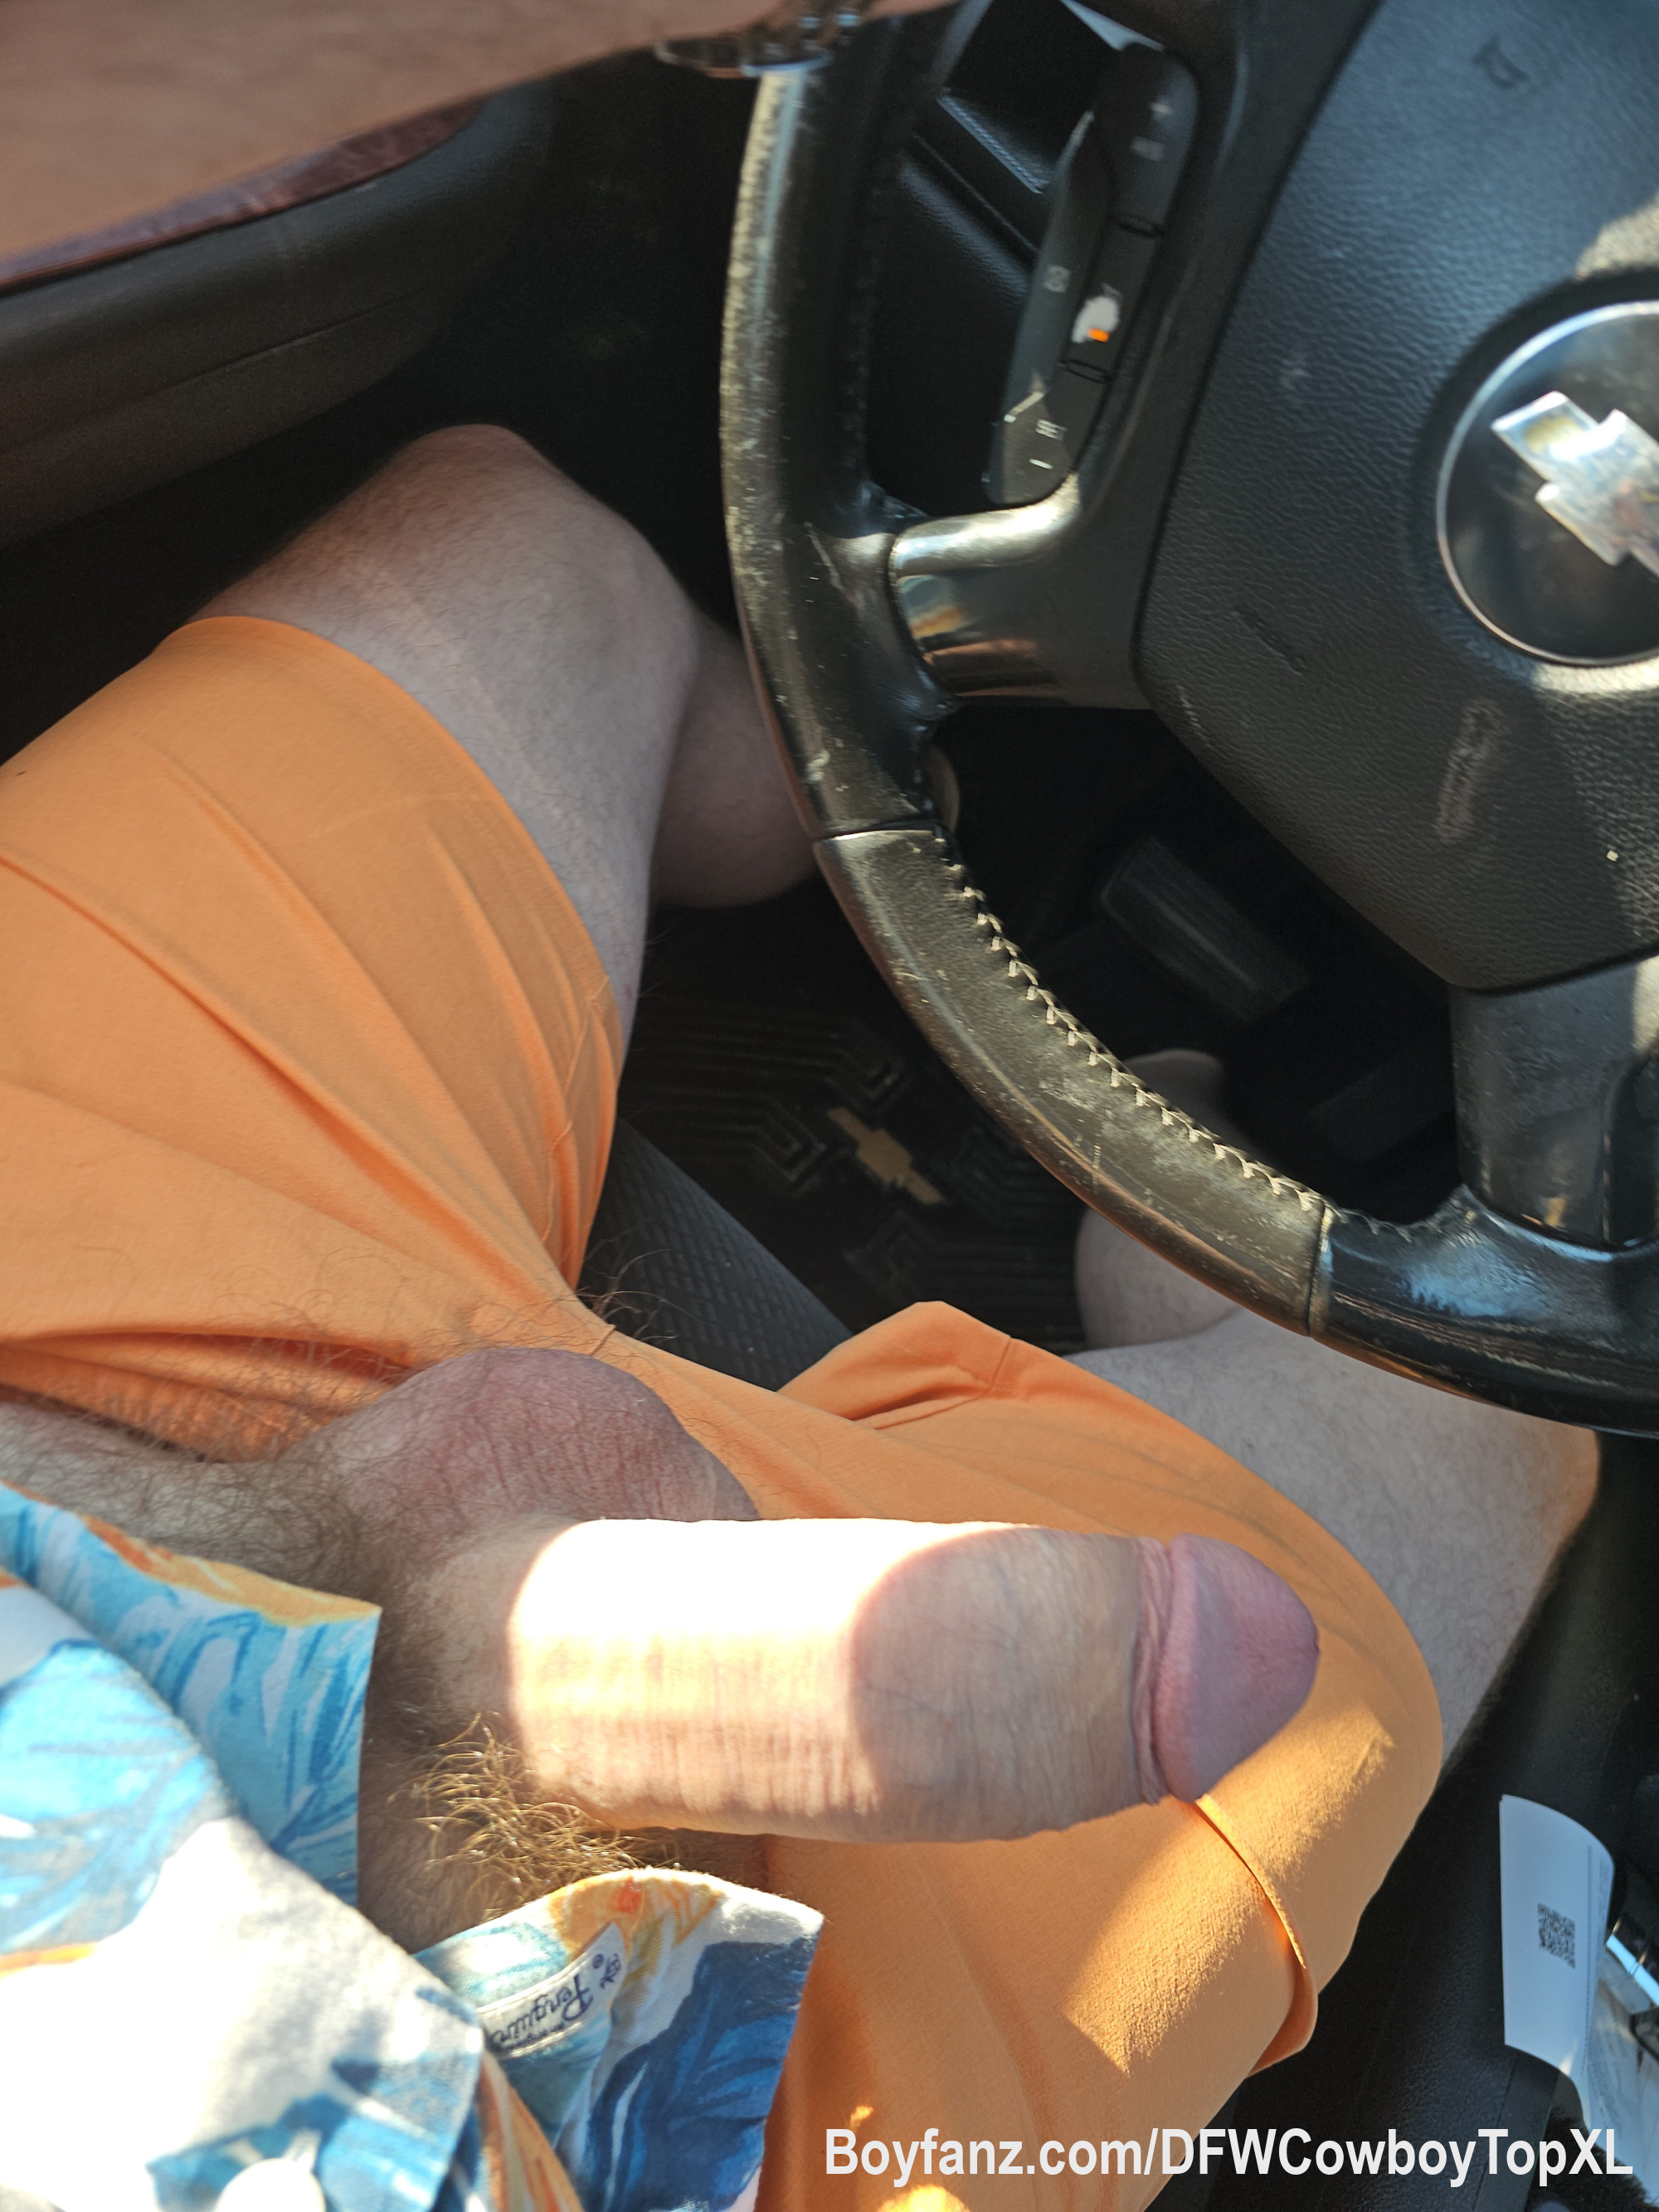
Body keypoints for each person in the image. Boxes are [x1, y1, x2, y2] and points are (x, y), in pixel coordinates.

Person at [0, 6, 1598, 2210]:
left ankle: (918, 887)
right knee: (1496, 1397)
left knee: (524, 553)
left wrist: (231, 1560)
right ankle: (1161, 1171)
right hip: (479, 2065)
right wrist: (554, 1969)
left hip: (59, 1487)